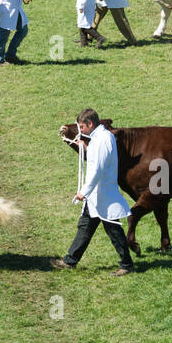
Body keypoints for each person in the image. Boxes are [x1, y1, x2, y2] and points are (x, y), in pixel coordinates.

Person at [50, 108, 136, 275]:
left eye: (82, 127)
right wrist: (86, 148)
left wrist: (84, 192)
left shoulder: (103, 139)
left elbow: (98, 169)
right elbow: (98, 159)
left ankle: (126, 264)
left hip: (102, 194)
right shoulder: (98, 138)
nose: (80, 131)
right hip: (97, 194)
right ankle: (70, 260)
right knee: (85, 226)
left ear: (90, 124)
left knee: (113, 230)